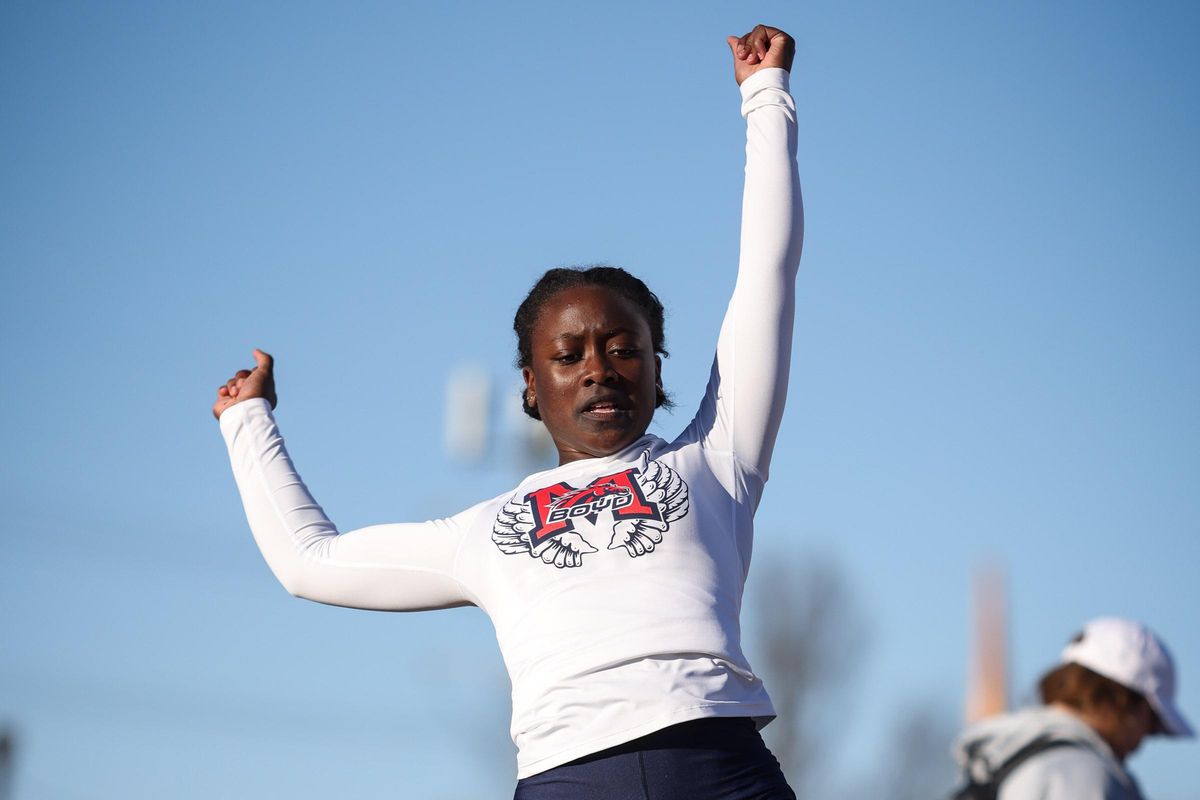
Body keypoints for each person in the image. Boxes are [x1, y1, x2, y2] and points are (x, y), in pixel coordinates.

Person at [213, 24, 803, 799]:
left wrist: (765, 98)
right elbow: (307, 563)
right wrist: (248, 423)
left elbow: (766, 273)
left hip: (722, 772)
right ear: (531, 387)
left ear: (659, 367)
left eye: (623, 347)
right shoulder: (482, 534)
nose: (598, 368)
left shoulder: (717, 456)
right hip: (565, 781)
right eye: (569, 355)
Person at [952, 617, 1193, 800]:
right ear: (1120, 700)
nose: (1146, 737)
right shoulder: (1081, 776)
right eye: (1152, 720)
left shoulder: (1006, 760)